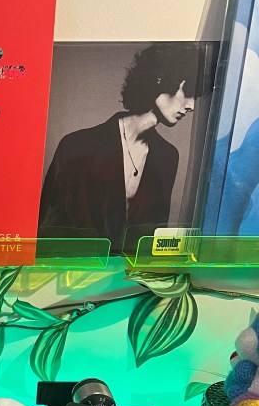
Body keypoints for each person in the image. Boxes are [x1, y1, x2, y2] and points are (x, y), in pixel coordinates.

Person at [38, 43, 208, 254]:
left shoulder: (168, 157)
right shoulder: (76, 145)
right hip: (75, 277)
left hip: (133, 281)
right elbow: (47, 229)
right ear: (161, 80)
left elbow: (152, 239)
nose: (191, 105)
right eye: (189, 92)